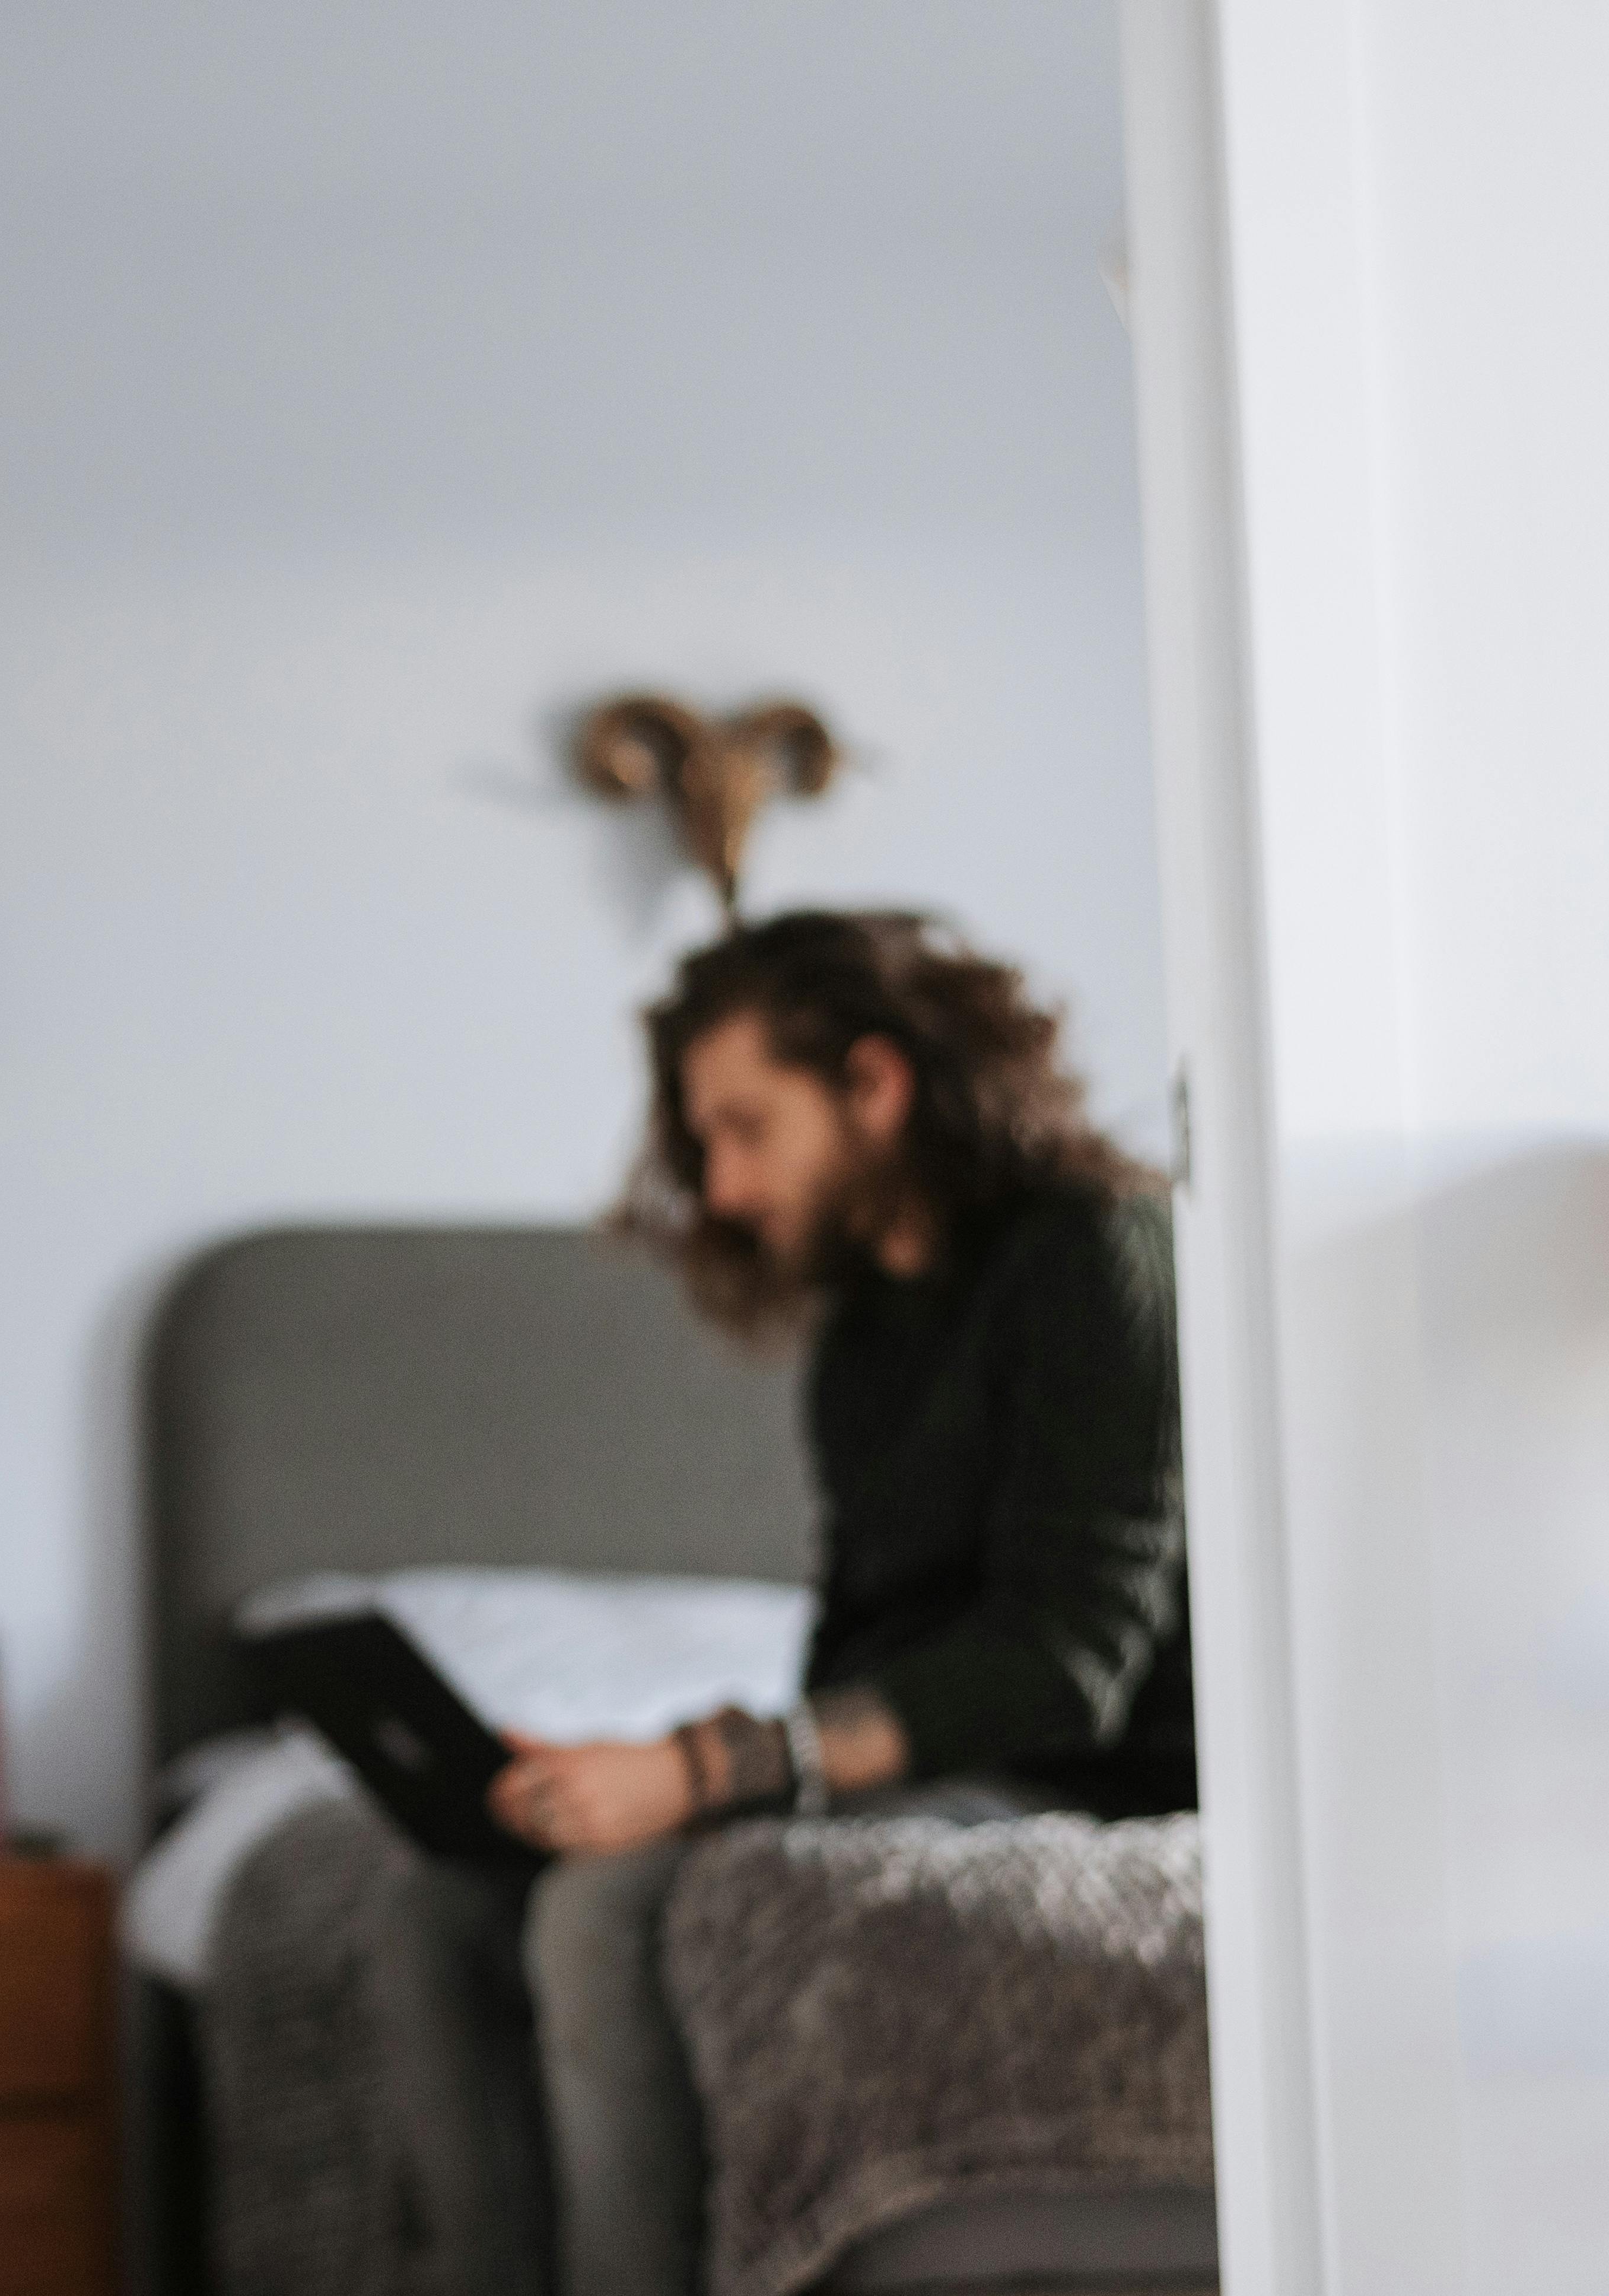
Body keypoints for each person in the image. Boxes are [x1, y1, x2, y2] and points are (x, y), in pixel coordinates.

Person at [485, 909, 1190, 2296]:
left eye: (746, 1128)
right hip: (931, 1764)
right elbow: (857, 1648)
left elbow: (1063, 1663)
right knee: (448, 1895)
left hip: (1084, 1774)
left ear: (874, 1085)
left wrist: (705, 1770)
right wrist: (658, 1777)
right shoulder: (866, 1332)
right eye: (705, 1146)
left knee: (600, 1914)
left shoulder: (1097, 1255)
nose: (726, 1186)